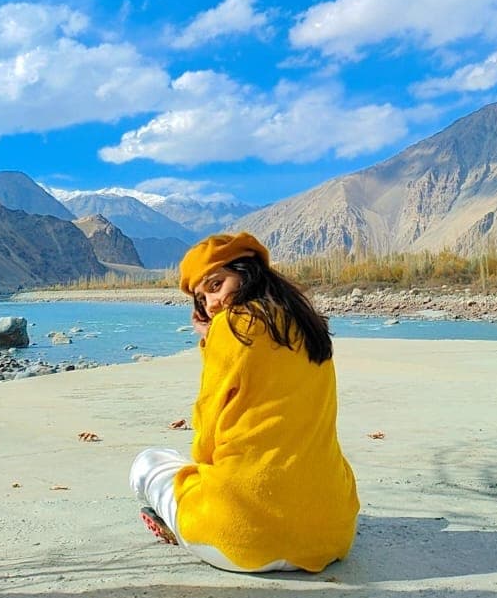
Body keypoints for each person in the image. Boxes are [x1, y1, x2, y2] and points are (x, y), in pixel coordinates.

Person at [129, 232, 359, 572]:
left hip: (244, 540)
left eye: (216, 284)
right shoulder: (310, 328)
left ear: (248, 273)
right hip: (331, 536)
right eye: (201, 297)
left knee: (148, 464)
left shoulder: (233, 326)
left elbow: (205, 442)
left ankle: (186, 528)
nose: (210, 303)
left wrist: (212, 344)